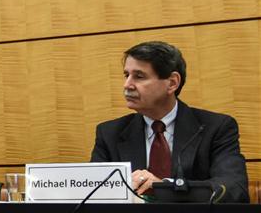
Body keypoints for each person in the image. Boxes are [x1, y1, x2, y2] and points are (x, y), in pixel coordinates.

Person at [90, 41, 248, 203]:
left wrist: (165, 187)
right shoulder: (109, 133)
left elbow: (234, 188)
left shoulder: (216, 128)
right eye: (126, 75)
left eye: (139, 76)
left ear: (172, 83)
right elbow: (92, 193)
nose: (127, 85)